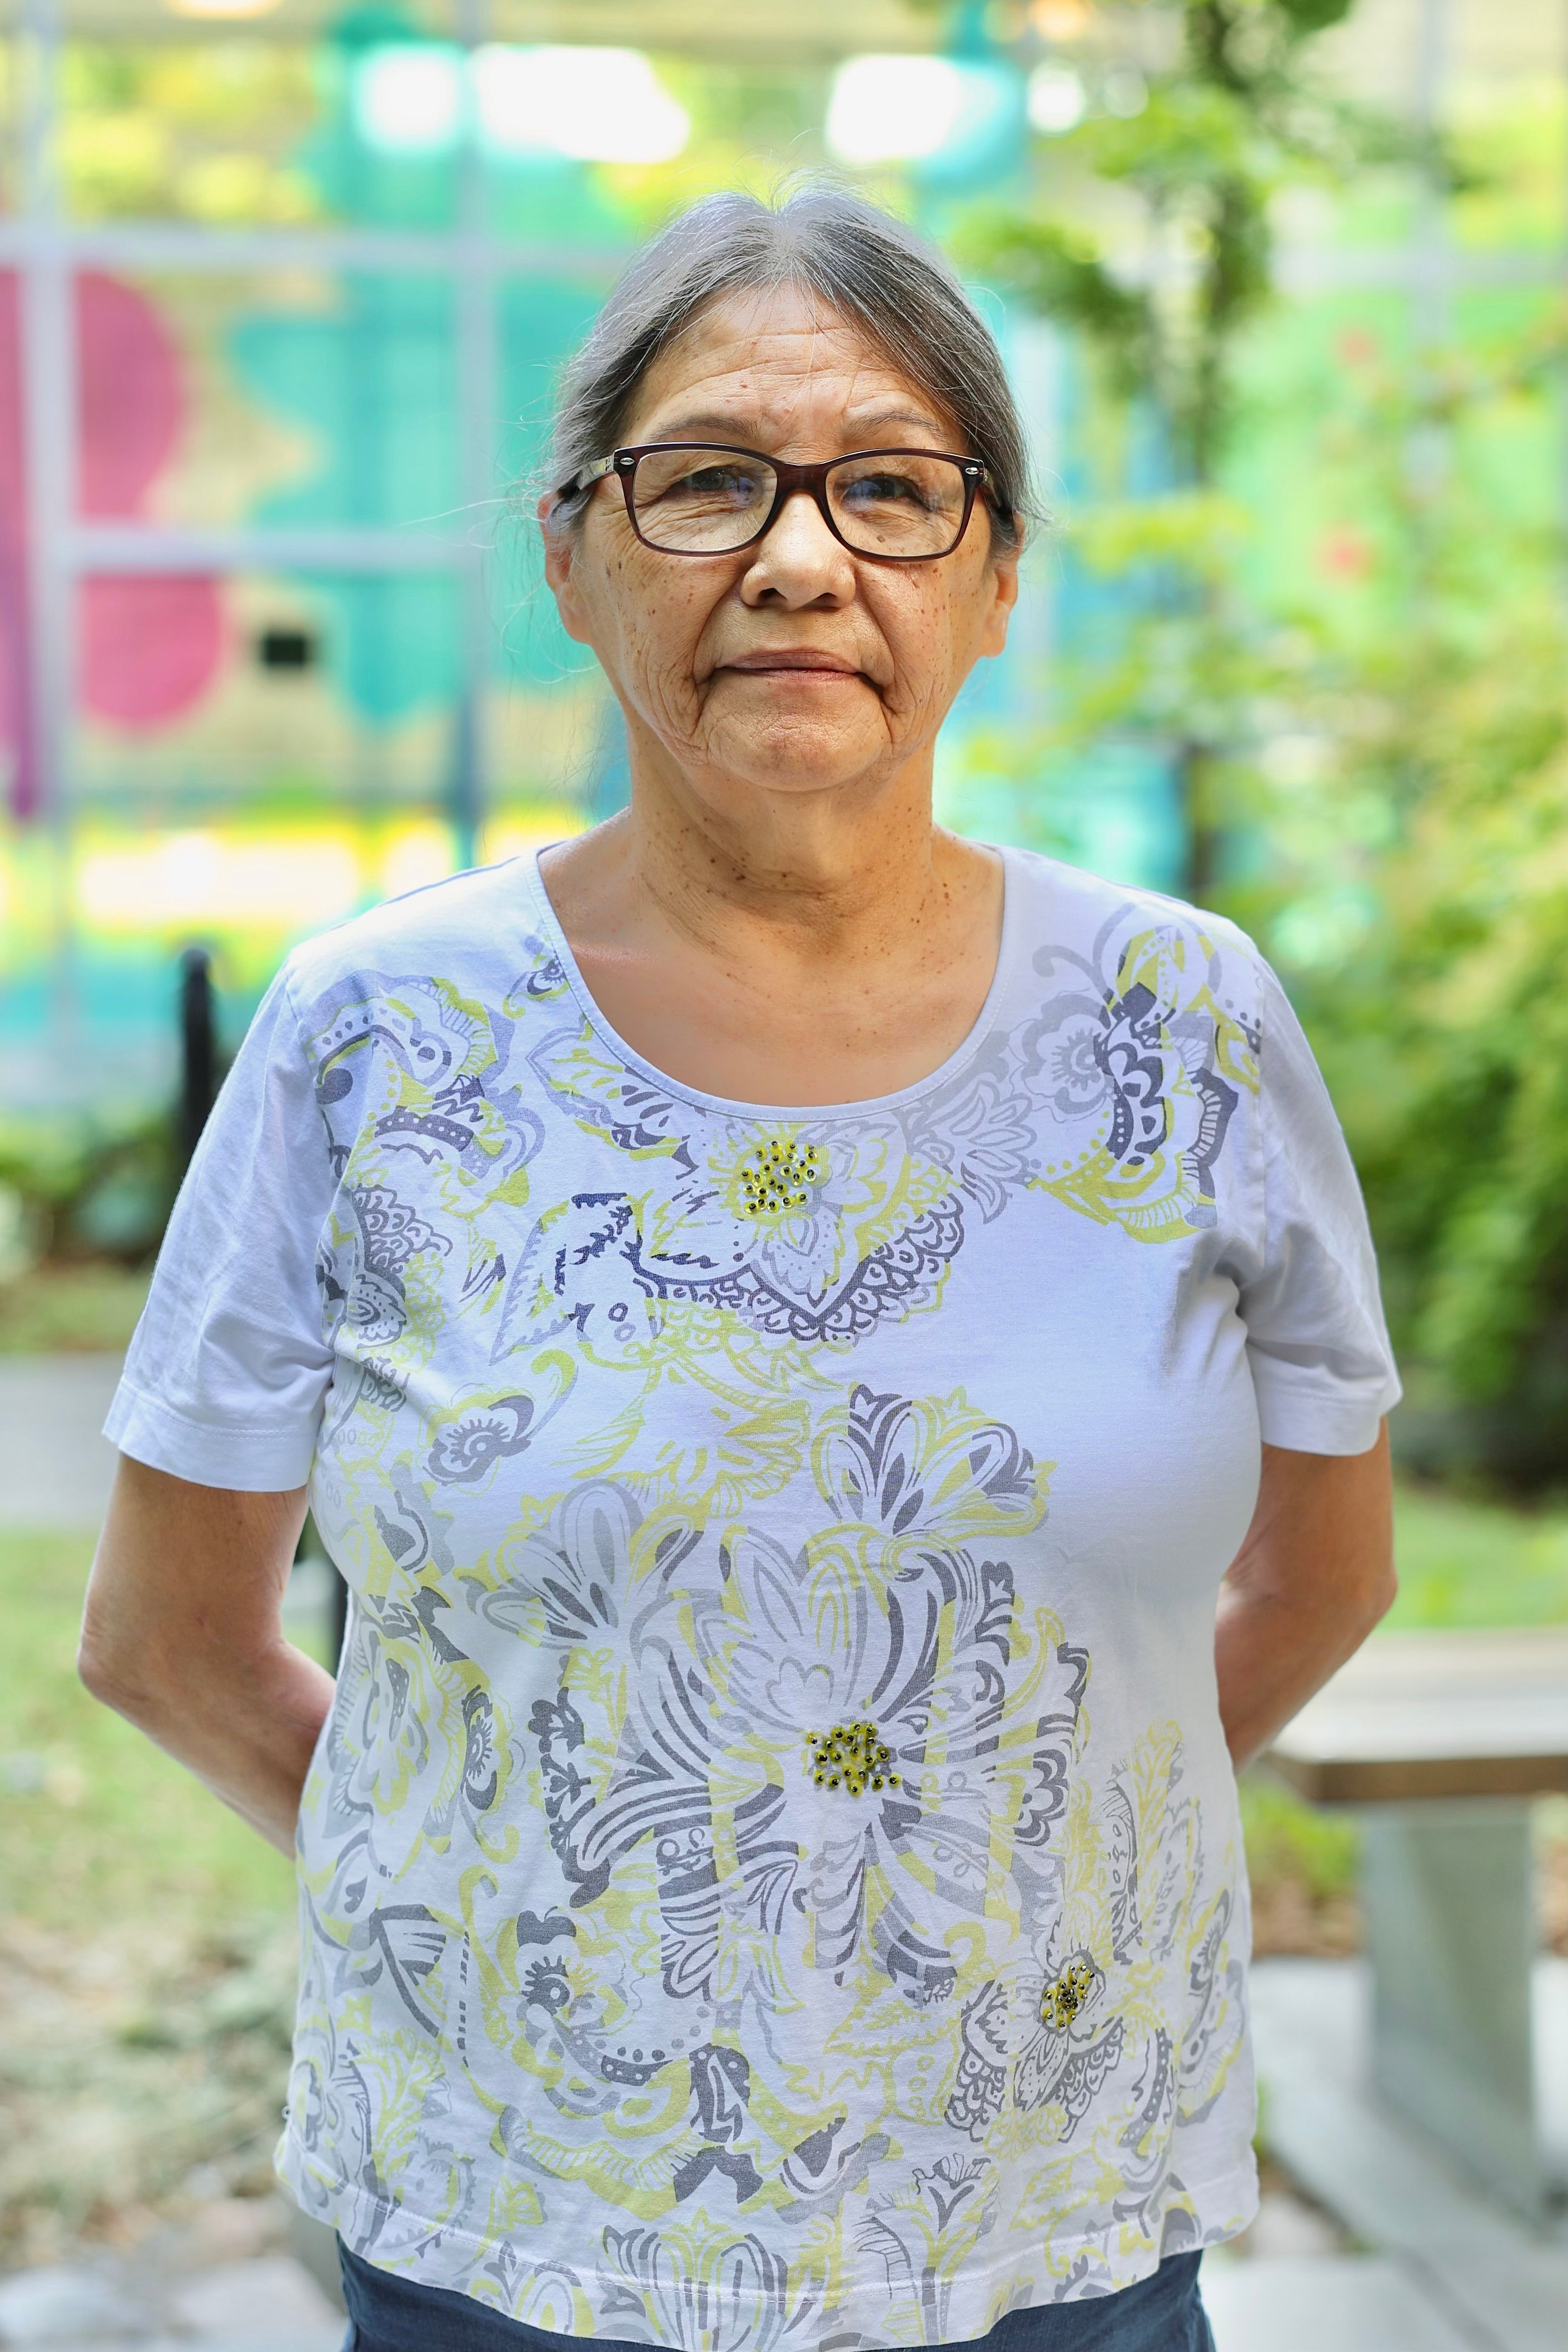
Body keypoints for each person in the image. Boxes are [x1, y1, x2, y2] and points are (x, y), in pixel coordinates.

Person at [81, 187, 1399, 2352]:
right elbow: (163, 1638)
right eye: (705, 482)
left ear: (990, 583)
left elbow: (1324, 1576)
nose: (801, 558)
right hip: (518, 2245)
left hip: (1051, 2235)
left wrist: (1041, 1845)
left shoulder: (1189, 1027)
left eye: (892, 488)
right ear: (572, 563)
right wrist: (510, 1913)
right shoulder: (378, 1038)